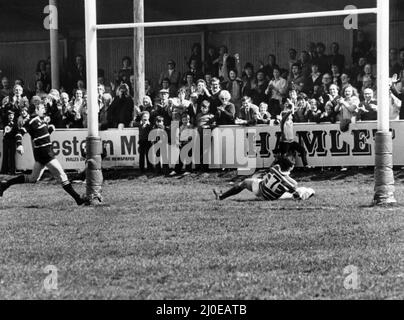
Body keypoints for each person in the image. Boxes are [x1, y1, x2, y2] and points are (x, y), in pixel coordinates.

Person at [0, 103, 87, 205]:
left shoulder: (41, 120)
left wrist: (49, 129)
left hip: (42, 153)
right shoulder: (31, 121)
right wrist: (19, 144)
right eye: (42, 108)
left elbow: (42, 136)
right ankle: (78, 199)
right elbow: (19, 133)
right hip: (45, 152)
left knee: (33, 178)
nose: (44, 110)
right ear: (36, 109)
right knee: (62, 176)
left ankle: (5, 185)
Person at [213, 156, 315, 202]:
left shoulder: (275, 168)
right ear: (291, 167)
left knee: (244, 183)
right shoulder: (292, 183)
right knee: (306, 190)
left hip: (260, 189)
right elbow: (295, 192)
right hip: (271, 198)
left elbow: (276, 165)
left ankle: (221, 197)